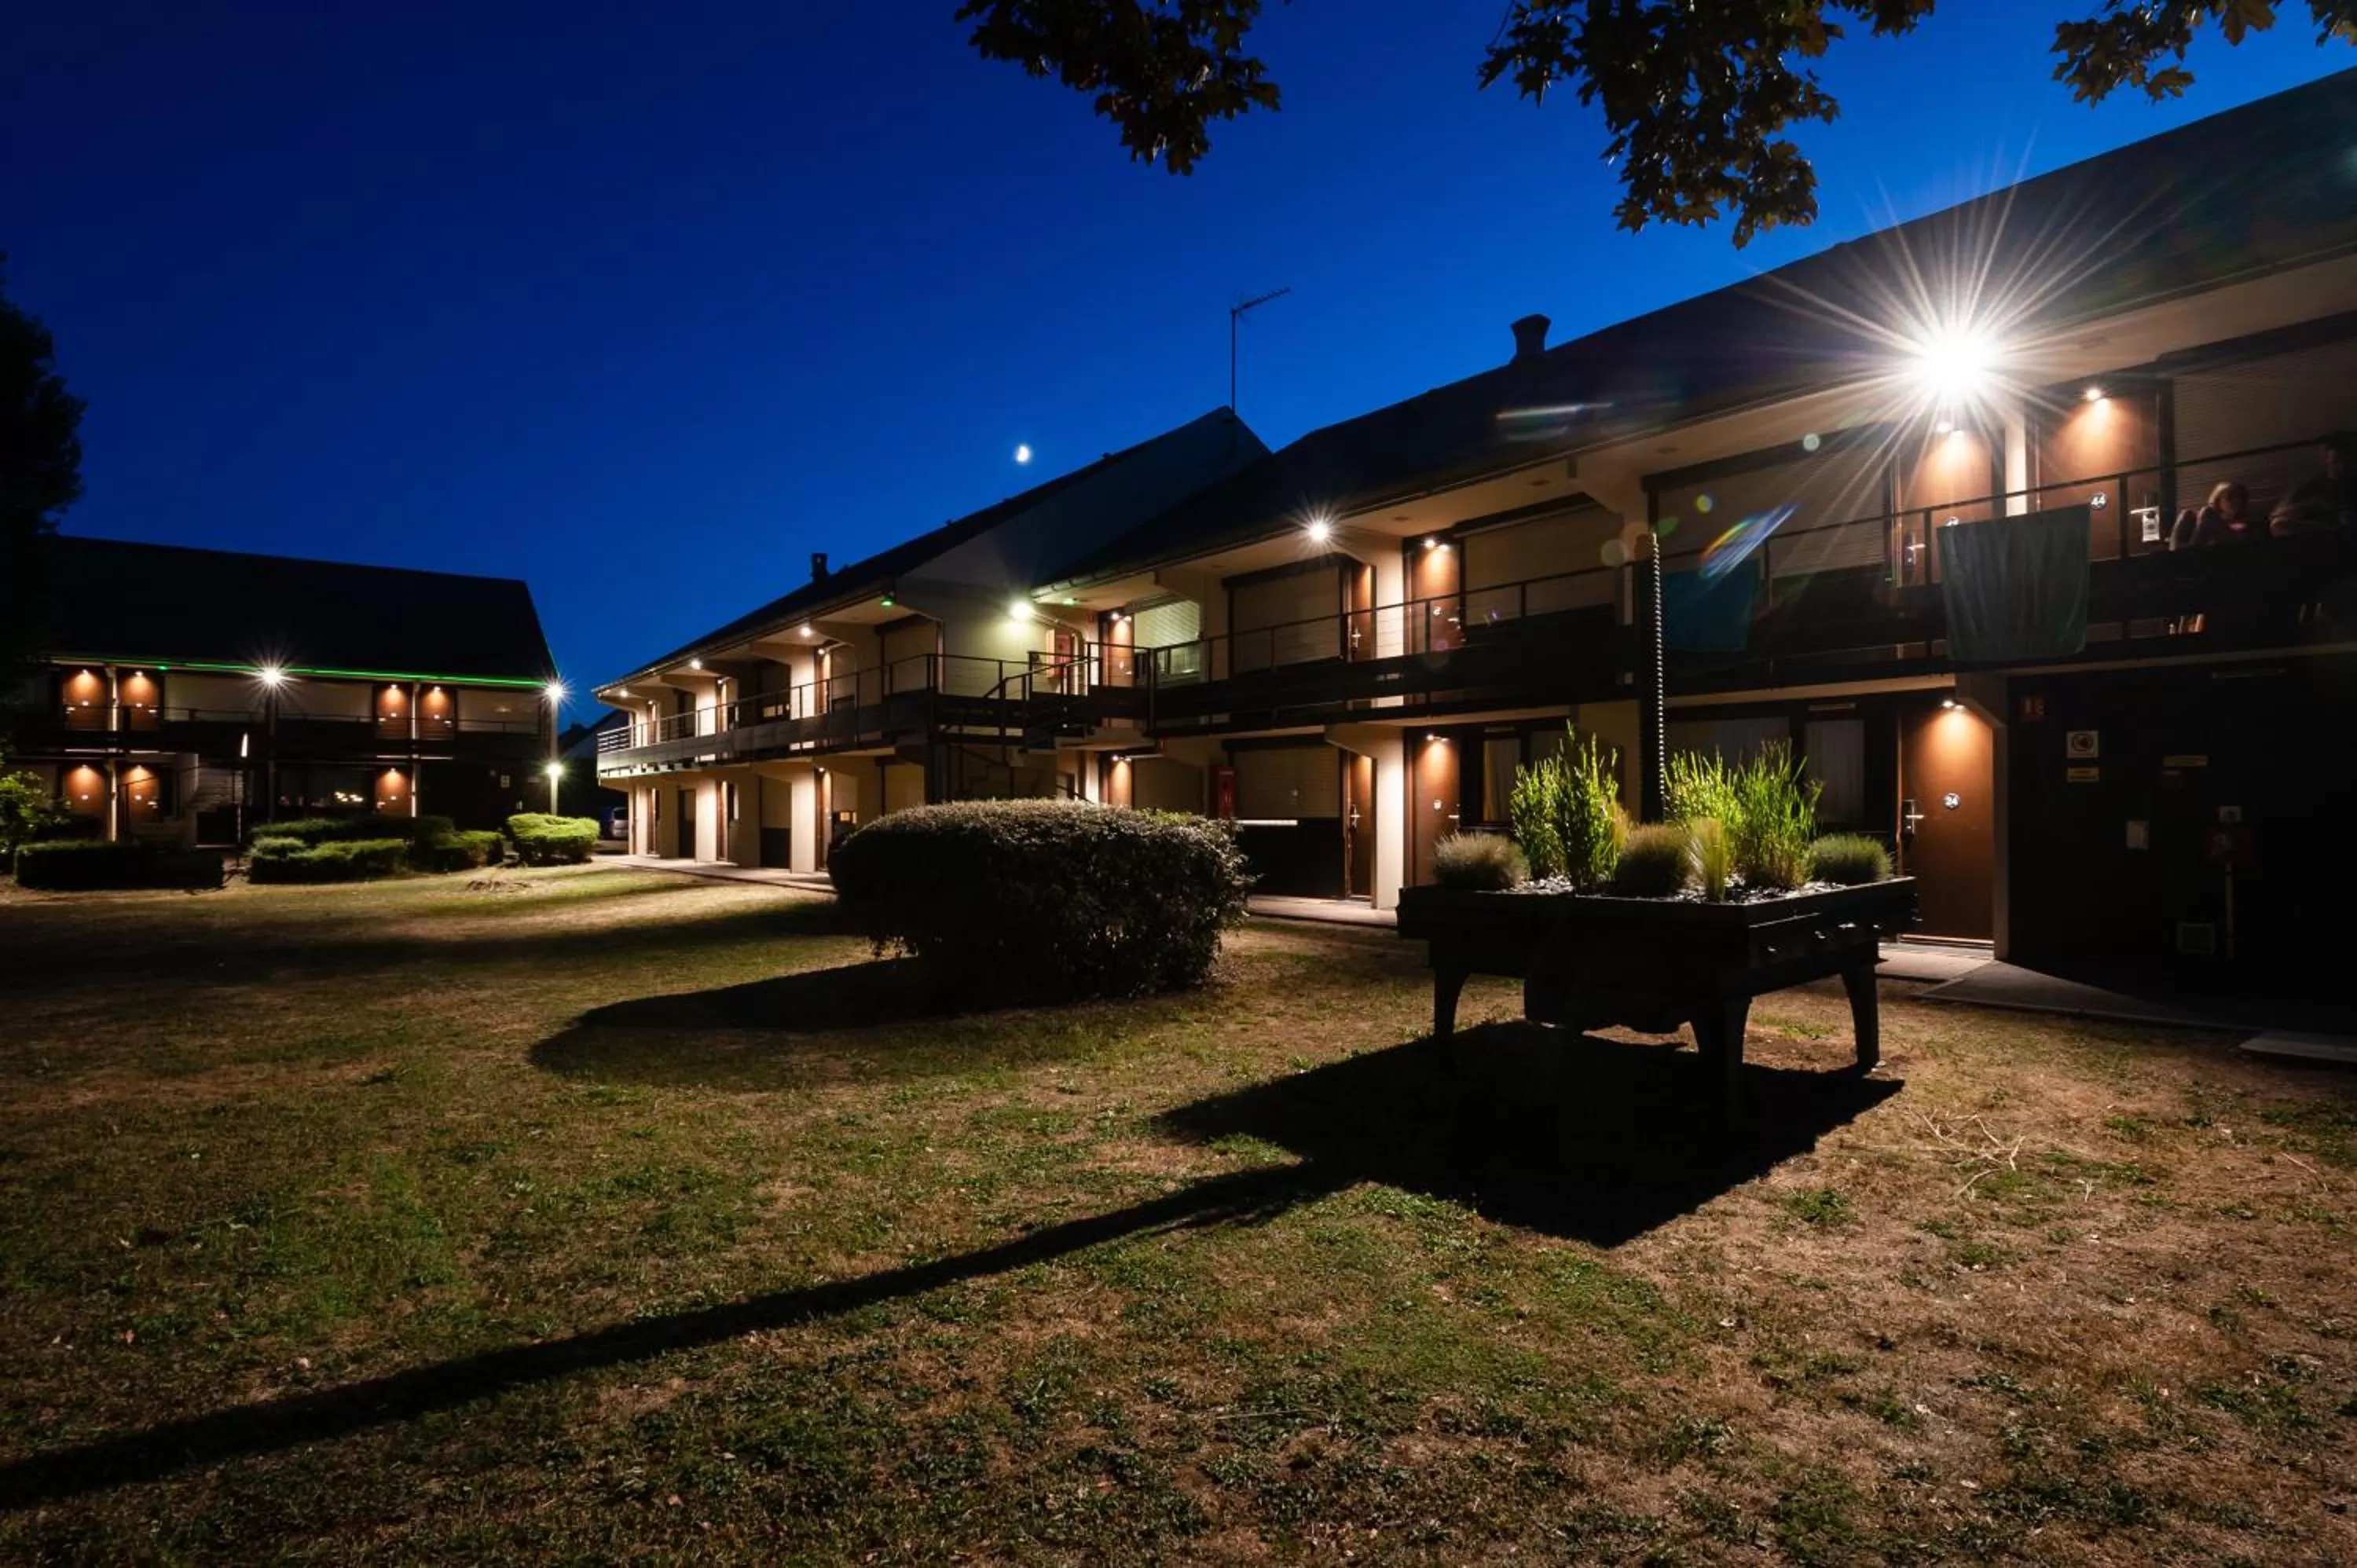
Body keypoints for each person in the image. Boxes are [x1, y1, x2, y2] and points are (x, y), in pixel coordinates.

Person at [2268, 433, 2356, 536]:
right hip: (2321, 536)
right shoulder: (2311, 486)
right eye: (2337, 461)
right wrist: (2314, 505)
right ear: (2326, 460)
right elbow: (2276, 516)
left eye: (2346, 462)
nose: (2342, 467)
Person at [2168, 480, 2261, 550]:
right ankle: (2180, 557)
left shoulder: (2248, 524)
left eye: (2240, 498)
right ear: (2219, 500)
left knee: (2206, 512)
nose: (2235, 501)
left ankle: (2189, 555)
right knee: (2187, 514)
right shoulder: (2205, 521)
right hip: (2198, 558)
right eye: (2230, 497)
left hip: (2222, 559)